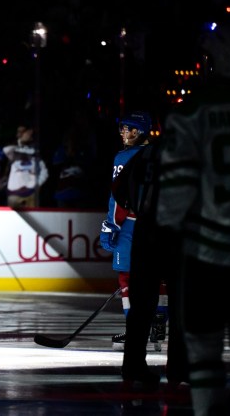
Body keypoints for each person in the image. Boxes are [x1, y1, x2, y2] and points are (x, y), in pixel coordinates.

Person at [156, 23, 230, 415]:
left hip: (208, 251)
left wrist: (166, 226)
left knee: (203, 350)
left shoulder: (193, 110)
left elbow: (178, 186)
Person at [111, 134, 188, 387]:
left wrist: (139, 207)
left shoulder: (145, 154)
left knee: (141, 305)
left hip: (145, 231)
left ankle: (132, 366)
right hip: (178, 233)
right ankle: (179, 369)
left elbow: (119, 189)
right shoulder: (193, 151)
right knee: (181, 306)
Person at [99, 111, 167, 351]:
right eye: (122, 128)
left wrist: (111, 225)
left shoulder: (124, 157)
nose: (123, 133)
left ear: (140, 131)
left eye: (128, 129)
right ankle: (159, 322)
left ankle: (134, 329)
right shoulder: (162, 156)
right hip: (159, 223)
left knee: (126, 276)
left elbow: (118, 197)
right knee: (158, 275)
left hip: (131, 223)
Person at [2, 126, 49, 208]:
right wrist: (20, 141)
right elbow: (6, 150)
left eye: (22, 131)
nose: (20, 134)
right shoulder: (14, 150)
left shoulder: (36, 152)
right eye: (19, 132)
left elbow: (44, 171)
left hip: (31, 193)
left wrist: (36, 184)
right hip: (14, 193)